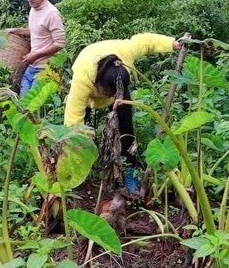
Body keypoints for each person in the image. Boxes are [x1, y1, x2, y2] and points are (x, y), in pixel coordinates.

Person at [64, 33, 183, 196]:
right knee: (79, 134)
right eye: (111, 94)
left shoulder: (125, 54)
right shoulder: (83, 79)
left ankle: (130, 174)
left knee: (127, 131)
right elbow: (72, 118)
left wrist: (172, 44)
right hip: (91, 87)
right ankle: (76, 173)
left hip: (116, 84)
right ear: (100, 85)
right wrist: (80, 140)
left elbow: (144, 42)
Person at [8, 0, 66, 97]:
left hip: (45, 69)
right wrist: (16, 31)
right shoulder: (34, 9)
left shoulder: (52, 14)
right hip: (31, 67)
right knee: (23, 107)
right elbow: (37, 31)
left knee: (33, 109)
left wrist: (36, 55)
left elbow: (60, 43)